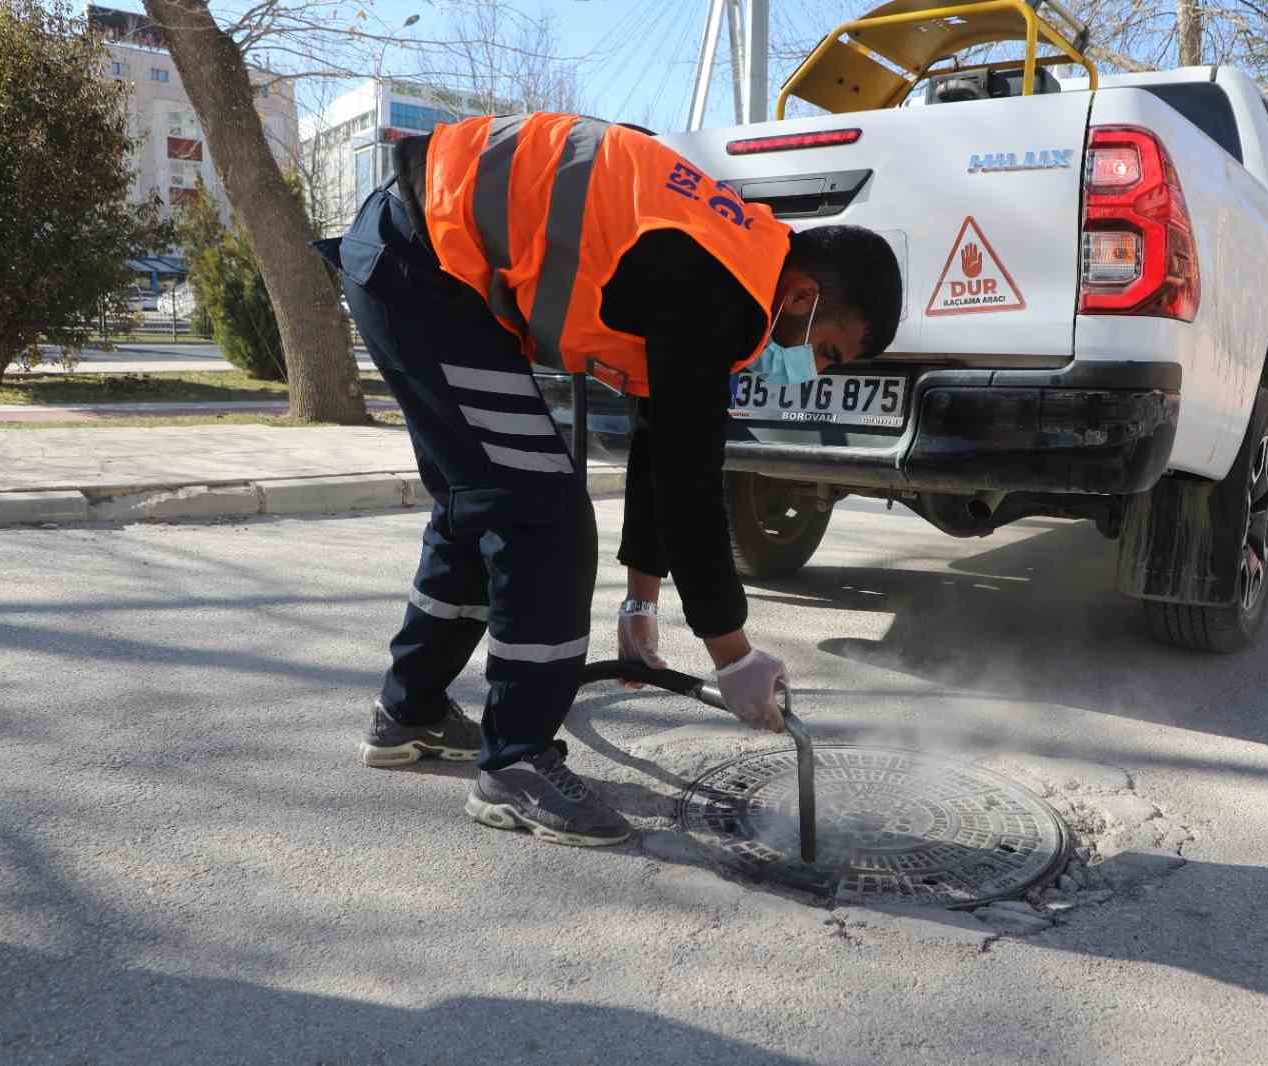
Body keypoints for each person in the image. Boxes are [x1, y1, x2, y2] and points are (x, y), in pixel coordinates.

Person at [318, 112, 902, 847]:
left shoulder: (731, 254)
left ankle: (409, 712)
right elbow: (692, 490)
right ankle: (517, 763)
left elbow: (662, 450)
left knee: (487, 500)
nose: (813, 371)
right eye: (828, 350)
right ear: (803, 295)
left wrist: (640, 605)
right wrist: (735, 655)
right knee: (544, 516)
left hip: (412, 257)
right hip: (425, 261)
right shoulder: (721, 286)